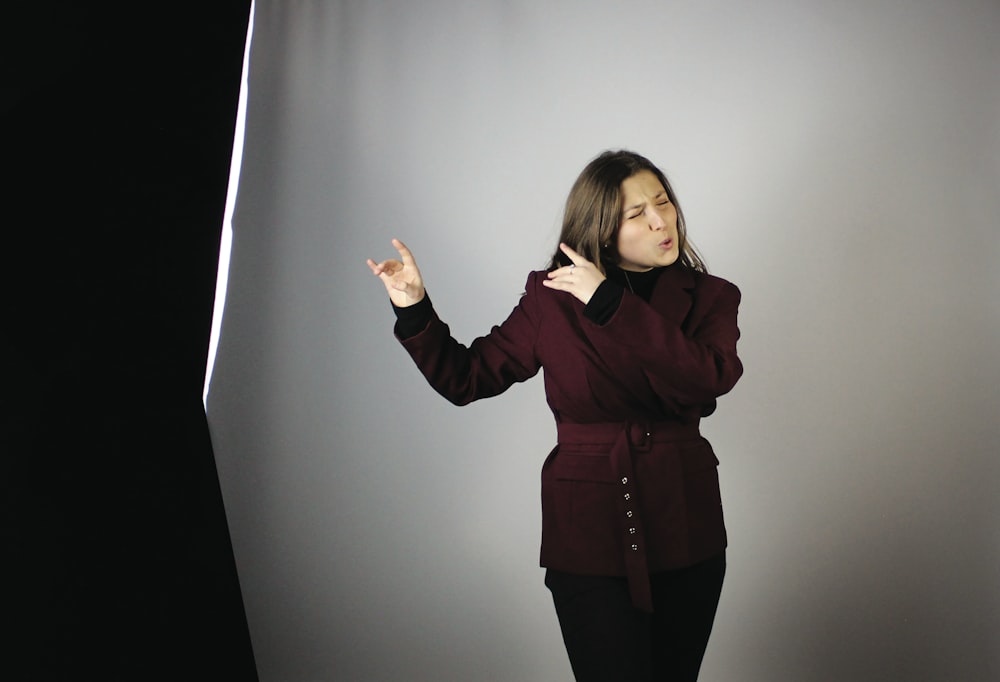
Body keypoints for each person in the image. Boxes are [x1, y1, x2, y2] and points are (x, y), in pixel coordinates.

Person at [366, 150, 743, 681]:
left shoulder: (712, 296)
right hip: (587, 532)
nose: (662, 221)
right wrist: (414, 308)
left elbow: (708, 379)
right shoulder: (552, 297)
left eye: (664, 203)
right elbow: (467, 378)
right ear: (601, 229)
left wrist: (614, 304)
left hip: (687, 524)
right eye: (637, 214)